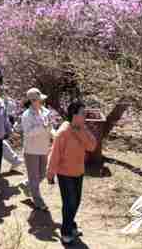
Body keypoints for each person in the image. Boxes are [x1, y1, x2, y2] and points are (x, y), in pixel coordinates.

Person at [47, 101, 98, 245]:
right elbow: (54, 154)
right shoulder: (63, 132)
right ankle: (66, 232)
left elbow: (92, 146)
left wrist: (82, 131)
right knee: (69, 202)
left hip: (79, 171)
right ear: (74, 115)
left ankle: (71, 224)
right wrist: (50, 174)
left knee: (76, 202)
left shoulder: (82, 128)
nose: (85, 116)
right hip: (64, 174)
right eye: (83, 113)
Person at [20, 88, 53, 211]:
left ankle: (26, 185)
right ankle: (38, 202)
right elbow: (28, 133)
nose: (42, 102)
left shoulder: (46, 112)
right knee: (34, 178)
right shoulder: (26, 115)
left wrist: (55, 135)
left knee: (42, 174)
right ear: (33, 101)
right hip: (31, 150)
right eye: (40, 100)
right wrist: (42, 127)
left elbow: (49, 127)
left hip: (44, 148)